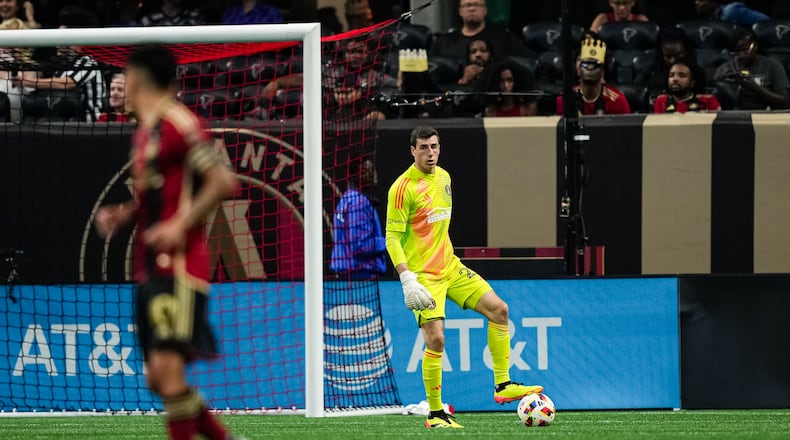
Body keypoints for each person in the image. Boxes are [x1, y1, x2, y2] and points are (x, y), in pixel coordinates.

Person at [94, 45, 241, 440]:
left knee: (168, 371)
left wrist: (179, 225)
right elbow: (156, 197)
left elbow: (222, 182)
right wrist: (125, 214)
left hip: (179, 264)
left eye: (126, 76)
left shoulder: (179, 122)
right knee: (159, 379)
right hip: (151, 265)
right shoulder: (146, 132)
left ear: (138, 79)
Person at [385, 125, 544, 429]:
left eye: (434, 146)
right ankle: (434, 414)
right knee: (436, 339)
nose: (430, 152)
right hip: (424, 277)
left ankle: (502, 385)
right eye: (423, 148)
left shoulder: (444, 177)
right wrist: (407, 277)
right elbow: (392, 237)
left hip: (450, 267)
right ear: (412, 150)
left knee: (499, 310)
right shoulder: (402, 188)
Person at [261, 38, 395, 121]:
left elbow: (394, 89)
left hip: (360, 126)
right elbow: (301, 79)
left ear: (368, 54)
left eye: (360, 52)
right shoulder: (331, 71)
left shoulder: (377, 77)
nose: (355, 56)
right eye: (351, 52)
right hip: (327, 123)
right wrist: (277, 82)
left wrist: (378, 113)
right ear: (344, 53)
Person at [18, 6, 106, 122]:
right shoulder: (61, 67)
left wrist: (29, 82)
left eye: (59, 38)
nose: (56, 43)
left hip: (90, 126)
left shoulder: (88, 62)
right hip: (66, 126)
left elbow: (66, 83)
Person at [430, 0, 529, 81]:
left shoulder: (503, 37)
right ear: (460, 11)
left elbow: (528, 63)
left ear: (485, 10)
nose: (472, 8)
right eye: (467, 5)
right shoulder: (444, 42)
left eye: (476, 4)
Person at [330, 157, 387, 279]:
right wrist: (391, 243)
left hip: (347, 275)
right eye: (368, 170)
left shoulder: (345, 199)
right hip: (361, 277)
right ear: (358, 174)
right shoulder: (359, 202)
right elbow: (361, 245)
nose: (374, 174)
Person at [714, 29, 789, 110]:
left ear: (755, 46)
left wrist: (755, 88)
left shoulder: (772, 66)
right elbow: (714, 98)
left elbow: (785, 101)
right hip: (733, 115)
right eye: (736, 53)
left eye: (745, 51)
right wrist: (724, 82)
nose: (740, 56)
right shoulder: (726, 68)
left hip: (764, 114)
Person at [556, 35, 631, 115]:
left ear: (603, 72)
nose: (590, 68)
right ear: (578, 69)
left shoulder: (617, 100)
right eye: (586, 64)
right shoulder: (565, 99)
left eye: (595, 64)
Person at [645, 28, 706, 105]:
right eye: (668, 56)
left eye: (677, 55)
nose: (672, 61)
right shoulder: (650, 72)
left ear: (685, 52)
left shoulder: (697, 73)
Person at [654, 60, 721, 113]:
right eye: (671, 75)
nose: (675, 79)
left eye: (682, 75)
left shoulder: (708, 101)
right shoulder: (661, 101)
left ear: (692, 82)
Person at [694, 0, 769, 27]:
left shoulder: (731, 10)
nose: (696, 3)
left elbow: (766, 21)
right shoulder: (710, 20)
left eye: (701, 0)